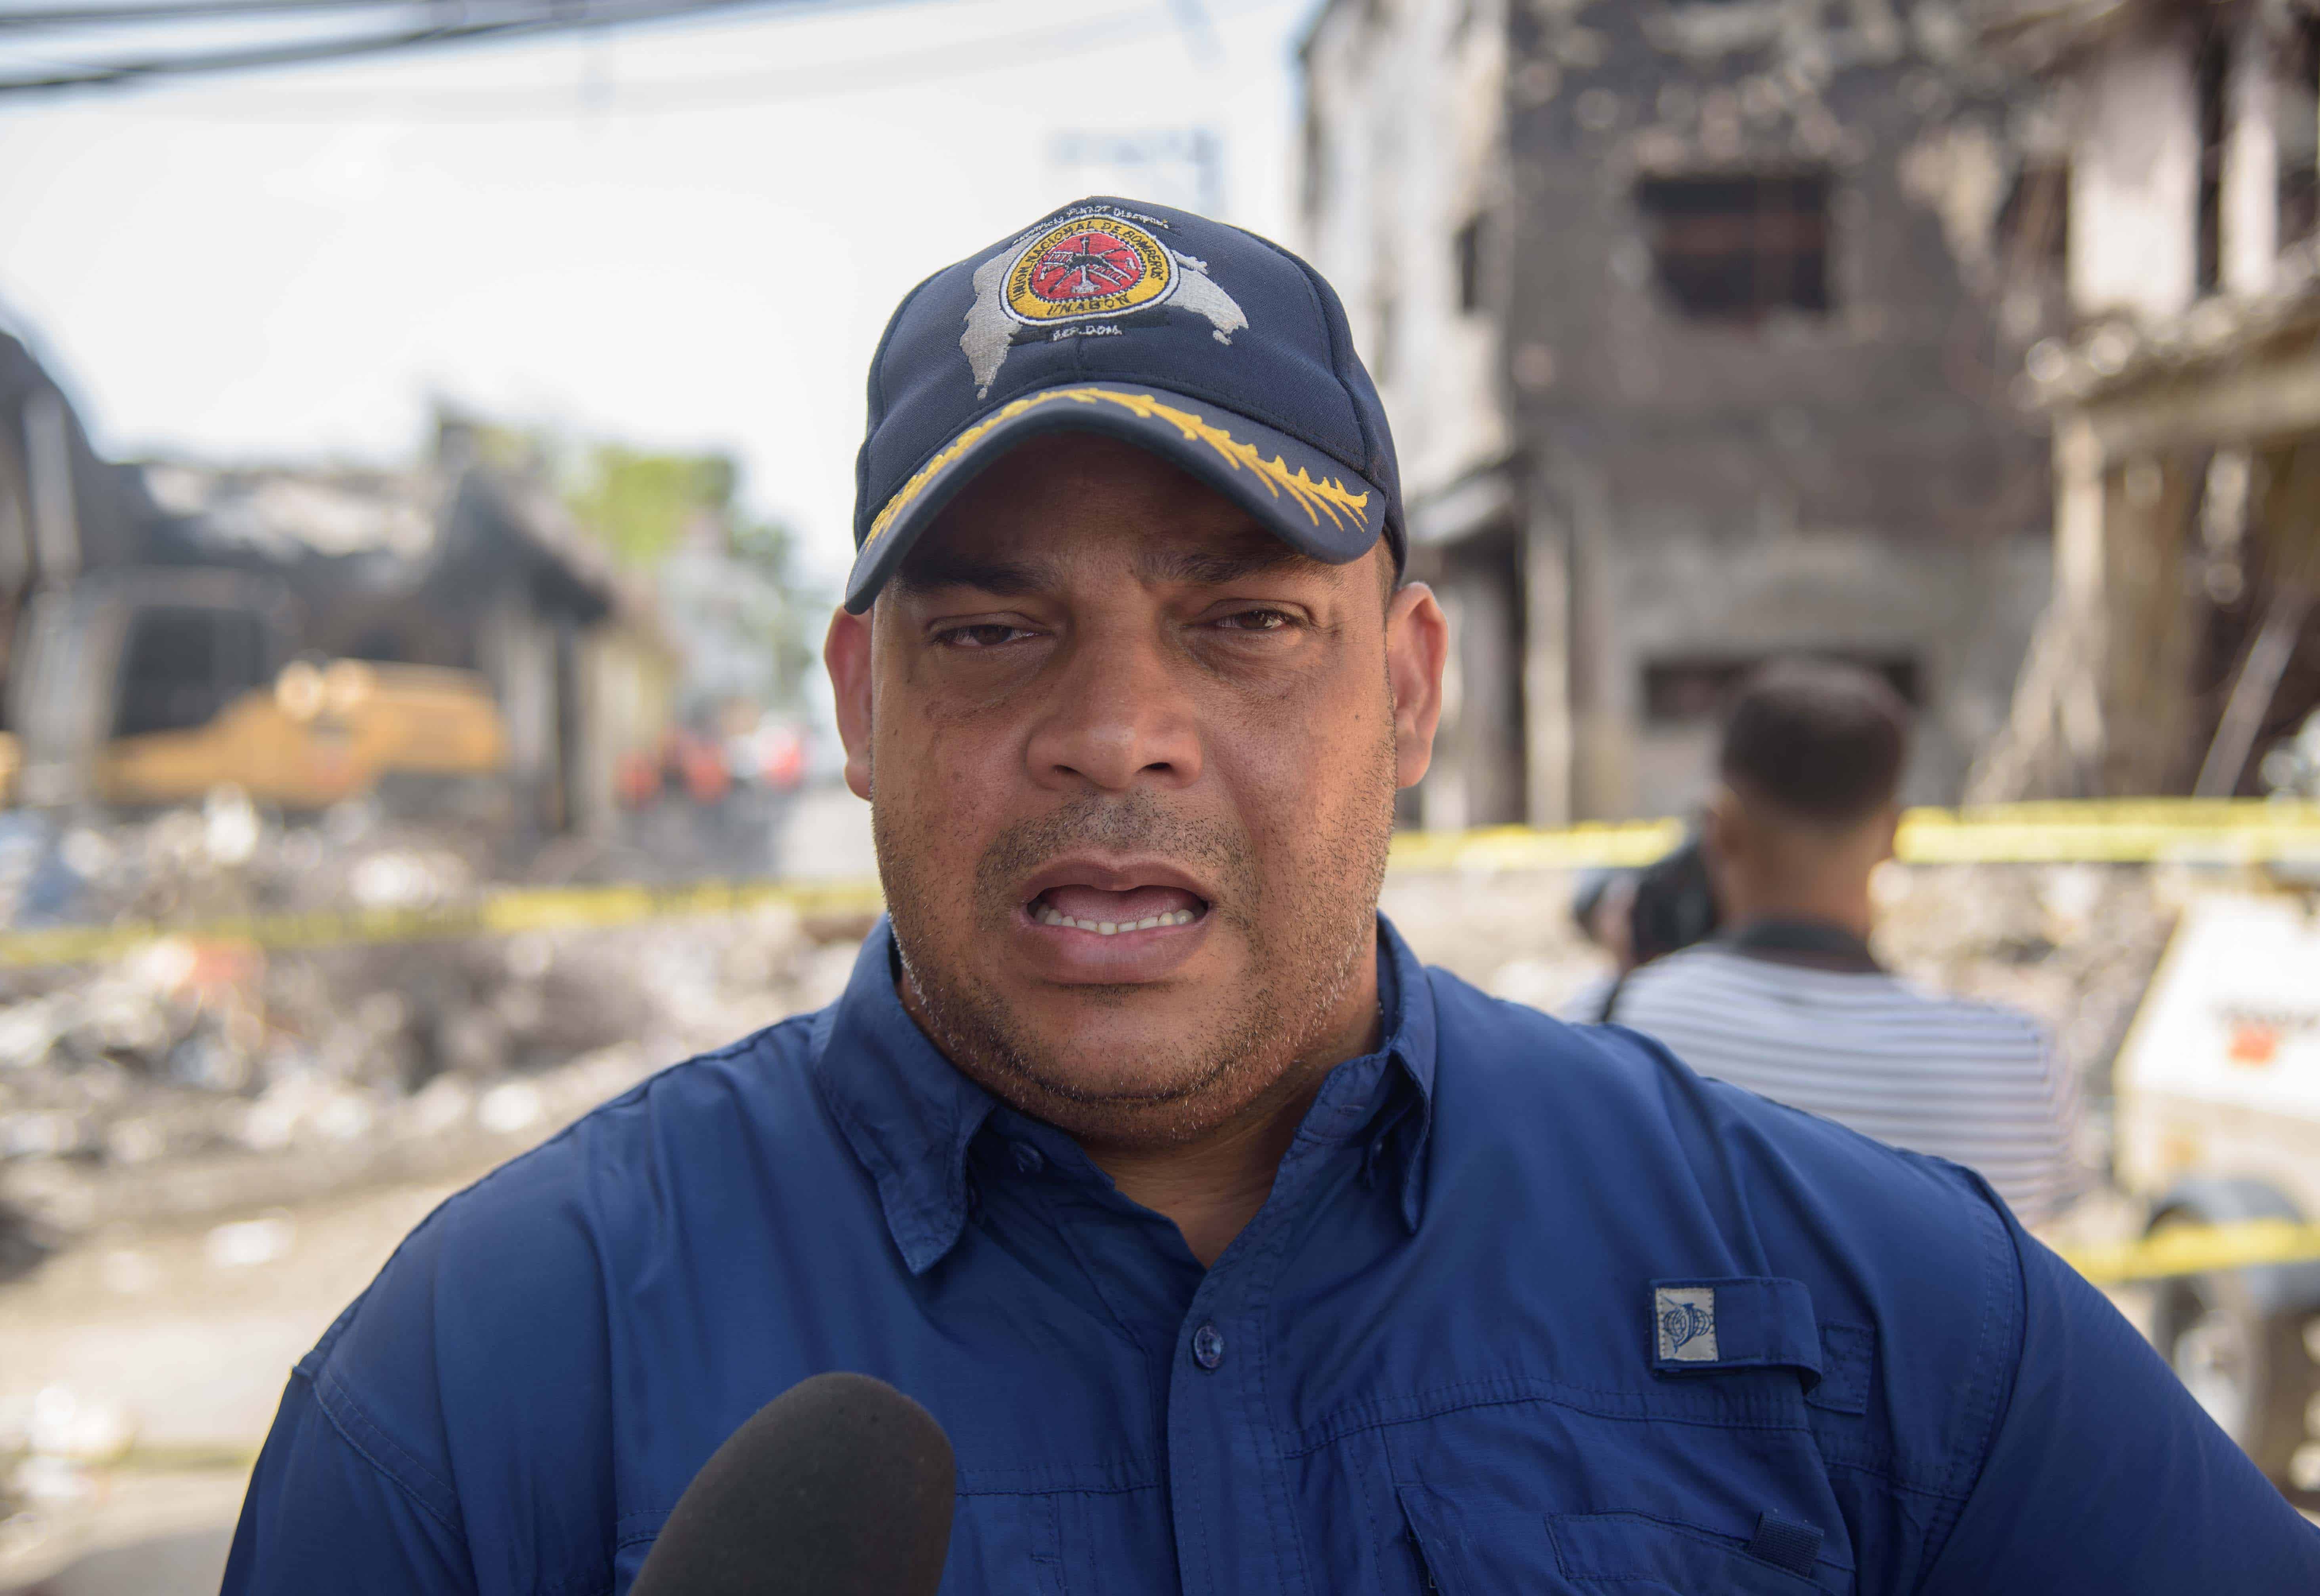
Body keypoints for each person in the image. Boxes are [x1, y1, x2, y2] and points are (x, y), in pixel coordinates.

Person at [221, 198, 2318, 1593]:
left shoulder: (1856, 1299)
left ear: (1407, 689)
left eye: (1240, 624)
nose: (1117, 732)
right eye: (992, 635)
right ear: (860, 703)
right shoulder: (495, 1365)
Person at [1603, 660, 2087, 1229]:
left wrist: (1624, 992)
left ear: (1721, 829)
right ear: (1895, 835)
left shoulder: (1616, 1032)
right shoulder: (2020, 1063)